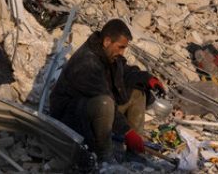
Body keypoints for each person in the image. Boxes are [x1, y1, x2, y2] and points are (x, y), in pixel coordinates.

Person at [48, 19, 165, 163]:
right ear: (107, 41)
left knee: (136, 92)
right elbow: (103, 96)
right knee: (105, 103)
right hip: (70, 117)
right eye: (120, 47)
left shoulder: (107, 54)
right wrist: (127, 132)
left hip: (92, 109)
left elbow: (124, 72)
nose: (122, 53)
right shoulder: (87, 63)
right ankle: (105, 158)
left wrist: (147, 79)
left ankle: (135, 152)